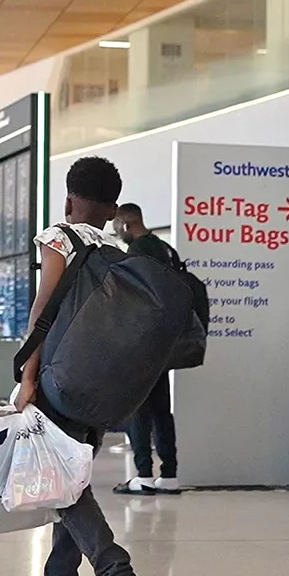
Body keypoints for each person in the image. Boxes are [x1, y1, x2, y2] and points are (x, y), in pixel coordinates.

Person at [17, 156, 163, 576]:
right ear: (114, 207)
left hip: (62, 375)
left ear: (69, 199)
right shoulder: (118, 249)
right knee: (70, 481)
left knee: (63, 485)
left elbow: (43, 309)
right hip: (103, 384)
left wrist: (28, 376)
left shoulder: (60, 236)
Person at [111, 203, 181, 495]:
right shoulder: (166, 250)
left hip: (141, 343)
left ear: (127, 222)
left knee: (137, 408)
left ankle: (143, 475)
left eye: (116, 226)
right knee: (162, 411)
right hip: (165, 343)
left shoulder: (136, 252)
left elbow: (129, 299)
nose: (116, 232)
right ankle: (170, 474)